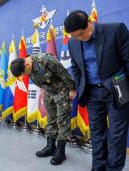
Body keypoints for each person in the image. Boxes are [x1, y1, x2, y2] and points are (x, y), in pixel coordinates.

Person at [64, 10, 129, 171]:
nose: (79, 39)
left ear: (88, 23)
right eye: (75, 36)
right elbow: (76, 68)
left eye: (80, 34)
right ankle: (98, 167)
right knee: (97, 135)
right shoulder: (73, 43)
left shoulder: (115, 30)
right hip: (92, 94)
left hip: (116, 89)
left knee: (116, 136)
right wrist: (80, 88)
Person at [10, 53, 75, 165]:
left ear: (27, 64)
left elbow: (63, 73)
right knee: (50, 120)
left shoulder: (45, 60)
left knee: (62, 122)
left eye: (24, 73)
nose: (25, 75)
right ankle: (50, 147)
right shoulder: (27, 69)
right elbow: (41, 82)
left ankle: (60, 152)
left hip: (62, 91)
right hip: (49, 93)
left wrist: (72, 89)